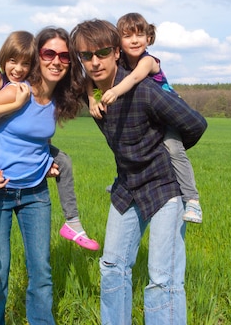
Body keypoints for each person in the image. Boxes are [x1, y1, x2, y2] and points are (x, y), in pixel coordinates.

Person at [70, 19, 208, 325]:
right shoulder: (90, 93)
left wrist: (166, 149)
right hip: (127, 187)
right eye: (86, 56)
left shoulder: (145, 91)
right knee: (112, 266)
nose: (94, 61)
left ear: (117, 53)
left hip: (165, 188)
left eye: (102, 53)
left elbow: (195, 123)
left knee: (163, 278)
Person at [0, 27, 85, 324]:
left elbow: (34, 140)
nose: (56, 61)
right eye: (49, 54)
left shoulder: (60, 98)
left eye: (64, 56)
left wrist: (48, 162)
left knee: (41, 274)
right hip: (0, 195)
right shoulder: (15, 91)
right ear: (37, 58)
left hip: (36, 195)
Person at [86, 12, 203, 223]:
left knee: (174, 149)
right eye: (127, 36)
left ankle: (192, 199)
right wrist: (92, 99)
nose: (134, 40)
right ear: (118, 43)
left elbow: (135, 77)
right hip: (146, 116)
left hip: (166, 116)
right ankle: (123, 181)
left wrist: (115, 91)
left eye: (140, 35)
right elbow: (88, 78)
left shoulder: (147, 61)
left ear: (149, 38)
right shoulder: (119, 63)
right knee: (124, 137)